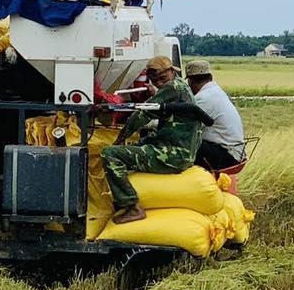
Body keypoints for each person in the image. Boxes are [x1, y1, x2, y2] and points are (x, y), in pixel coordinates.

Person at [101, 55, 215, 224]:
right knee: (139, 145)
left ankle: (132, 205)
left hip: (172, 155)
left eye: (163, 78)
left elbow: (142, 114)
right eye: (156, 80)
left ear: (172, 72)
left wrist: (120, 138)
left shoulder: (172, 88)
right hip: (181, 151)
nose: (160, 83)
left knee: (110, 154)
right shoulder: (181, 86)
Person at [184, 59, 247, 173]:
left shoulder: (204, 98)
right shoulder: (215, 91)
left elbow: (184, 125)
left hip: (227, 156)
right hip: (234, 152)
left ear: (190, 82)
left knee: (182, 142)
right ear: (210, 77)